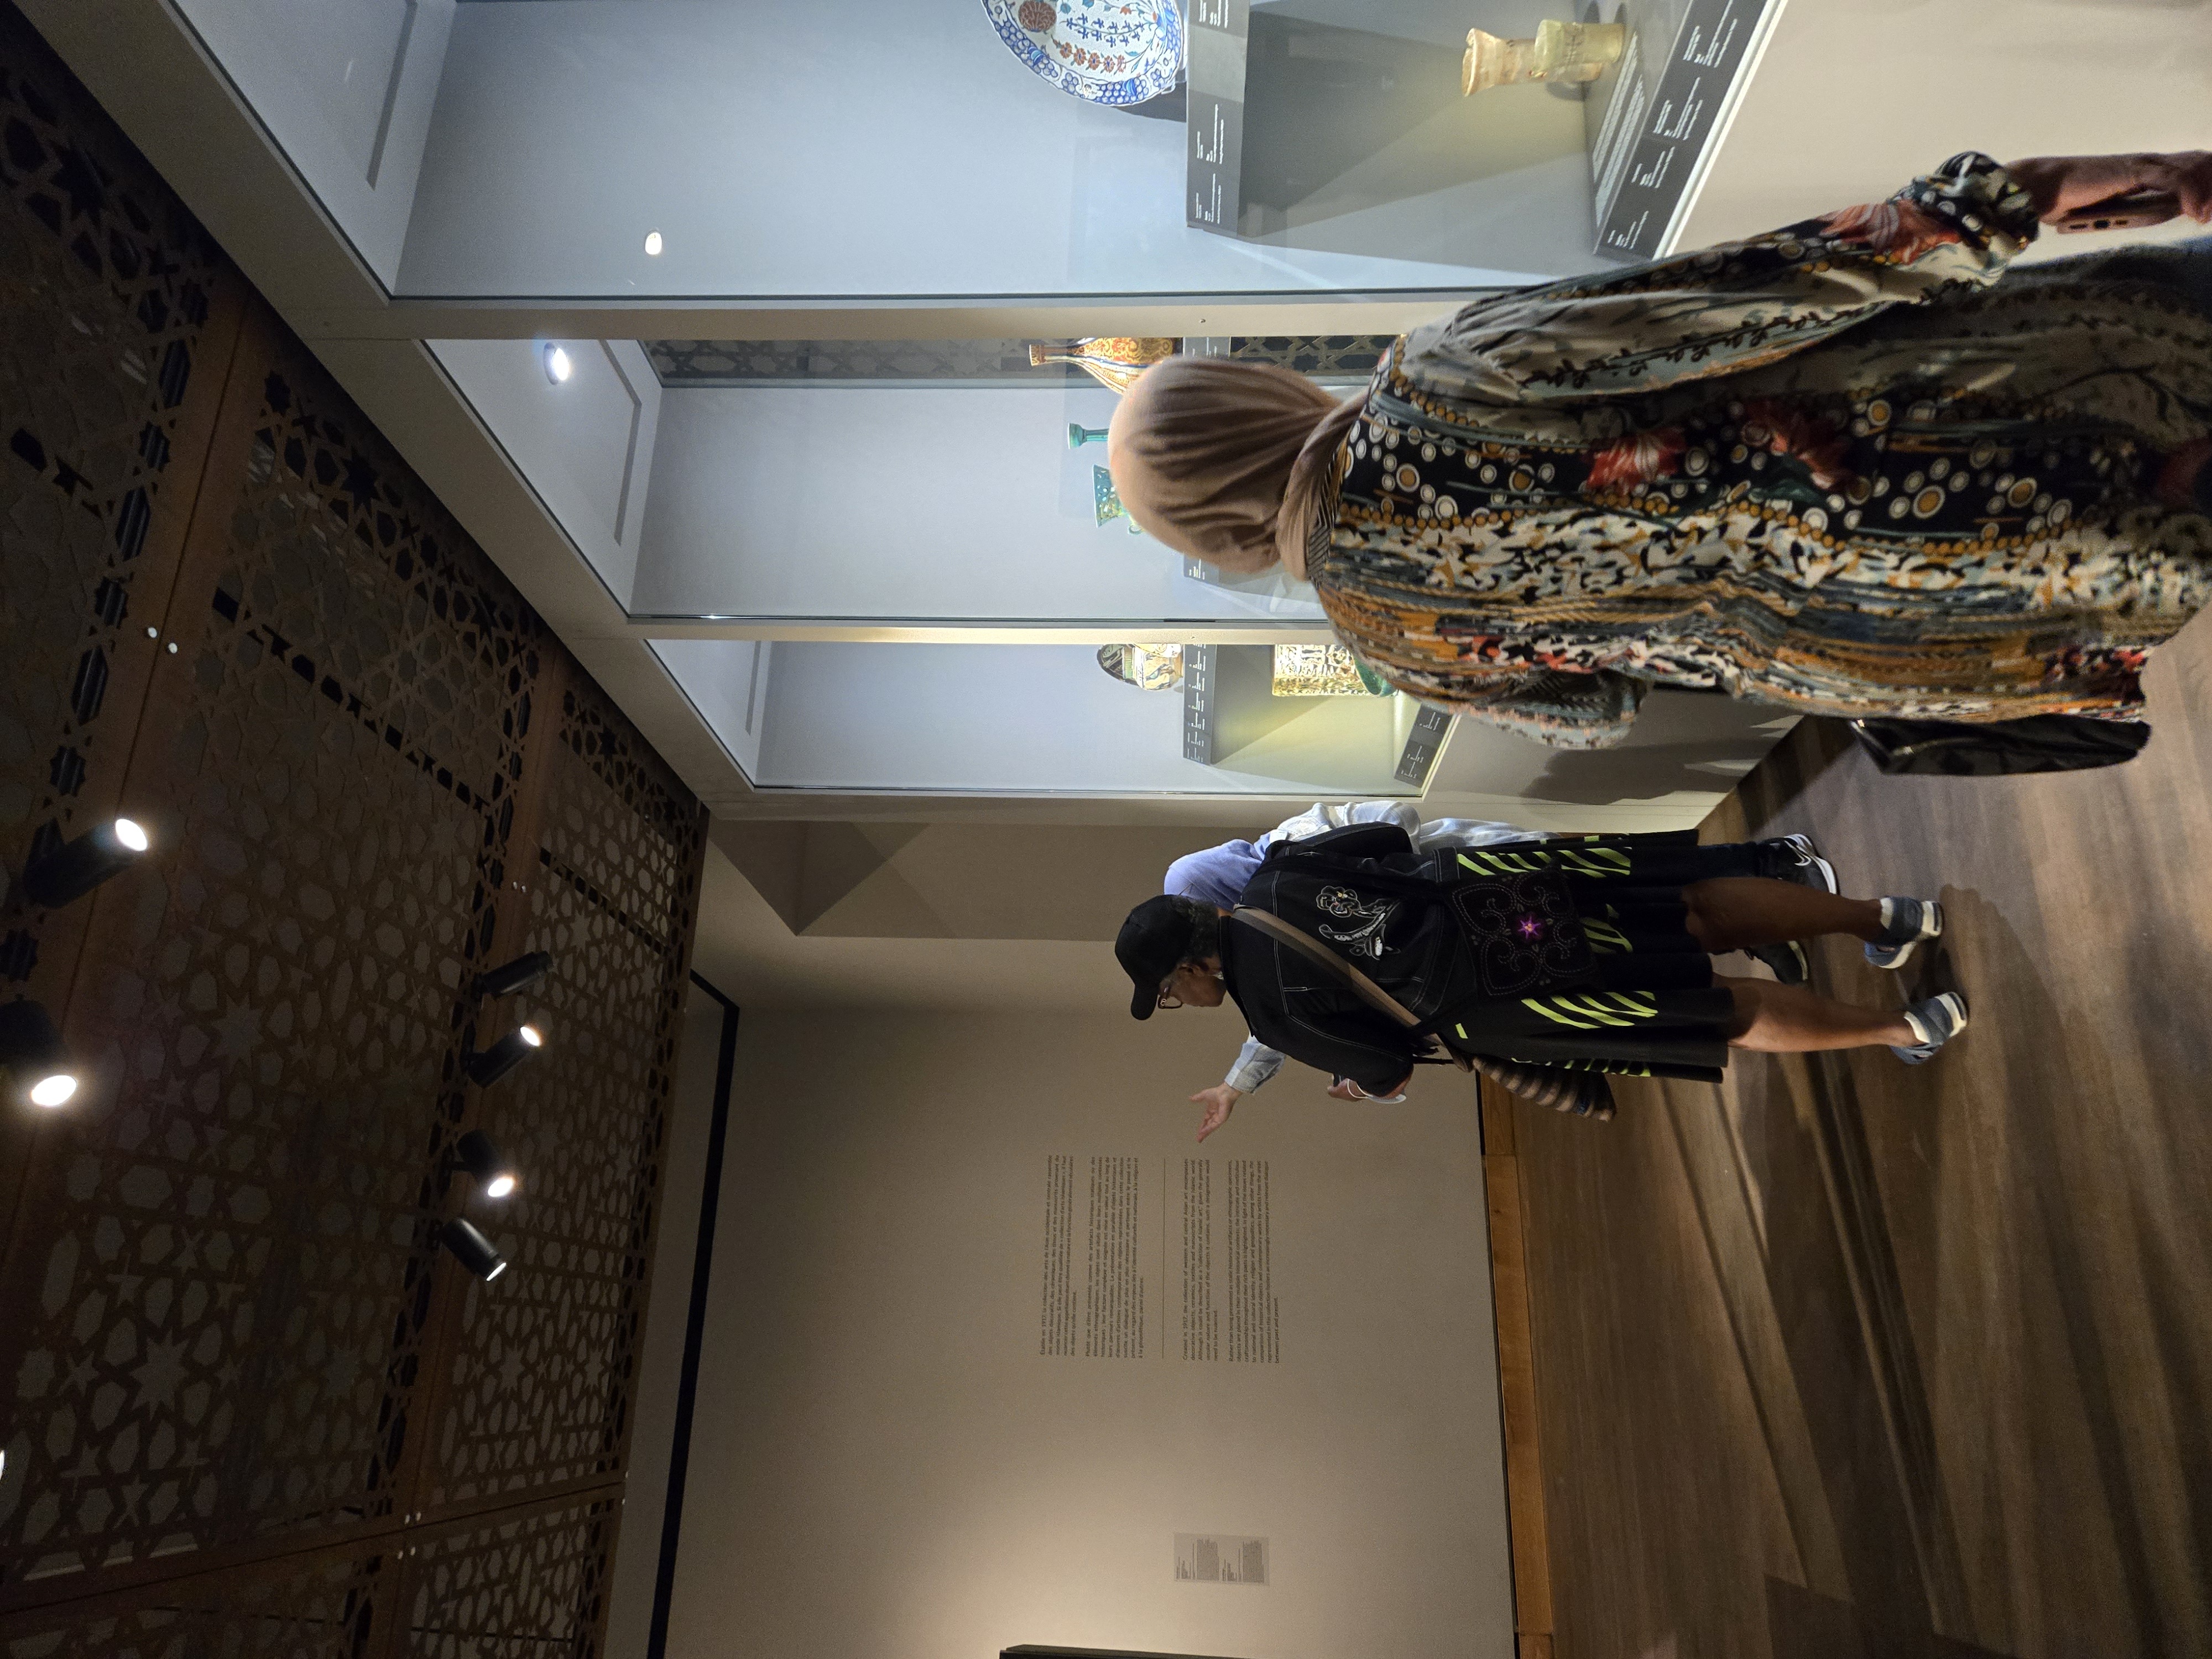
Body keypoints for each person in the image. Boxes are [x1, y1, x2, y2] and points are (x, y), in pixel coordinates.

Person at [1108, 152, 2212, 746]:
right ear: (1248, 398)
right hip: (2017, 420)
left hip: (1965, 631)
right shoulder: (1435, 386)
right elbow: (1756, 295)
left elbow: (1596, 715)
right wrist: (2016, 196)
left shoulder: (1384, 644)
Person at [1116, 822, 1965, 1140]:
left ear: (1191, 965)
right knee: (1694, 907)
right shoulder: (1275, 874)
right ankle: (1885, 917)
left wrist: (1365, 1088)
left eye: (1170, 992)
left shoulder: (1272, 1014)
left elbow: (1387, 1065)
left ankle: (1909, 1027)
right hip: (1499, 895)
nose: (1181, 1002)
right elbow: (1384, 840)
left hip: (1509, 999)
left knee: (1717, 1011)